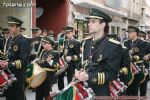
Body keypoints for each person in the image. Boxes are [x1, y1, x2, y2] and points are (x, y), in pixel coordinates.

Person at [75, 8, 123, 96]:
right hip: (84, 89)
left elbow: (112, 74)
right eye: (89, 21)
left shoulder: (113, 46)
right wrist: (78, 72)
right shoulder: (86, 42)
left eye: (93, 21)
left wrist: (89, 77)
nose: (89, 24)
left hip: (101, 90)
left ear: (103, 24)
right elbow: (83, 64)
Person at [0, 16, 30, 100]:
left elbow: (23, 61)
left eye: (12, 26)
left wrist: (8, 63)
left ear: (18, 27)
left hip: (18, 77)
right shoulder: (9, 40)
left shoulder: (24, 41)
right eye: (9, 25)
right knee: (9, 98)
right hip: (8, 77)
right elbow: (7, 56)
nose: (10, 28)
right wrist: (3, 61)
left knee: (18, 97)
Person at [124, 26, 150, 96]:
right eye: (128, 32)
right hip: (128, 68)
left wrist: (148, 57)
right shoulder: (125, 42)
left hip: (138, 68)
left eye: (130, 32)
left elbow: (141, 55)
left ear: (135, 33)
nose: (128, 34)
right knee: (127, 89)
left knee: (136, 89)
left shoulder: (144, 43)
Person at [35, 36, 59, 100]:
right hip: (40, 75)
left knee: (47, 94)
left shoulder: (55, 53)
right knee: (38, 93)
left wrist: (50, 61)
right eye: (43, 43)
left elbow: (57, 66)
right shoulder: (43, 52)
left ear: (50, 44)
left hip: (48, 76)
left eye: (44, 44)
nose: (43, 45)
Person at [57, 26, 81, 90]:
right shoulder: (64, 41)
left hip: (71, 64)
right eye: (66, 33)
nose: (67, 34)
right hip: (63, 63)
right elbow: (62, 52)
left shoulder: (76, 42)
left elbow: (79, 56)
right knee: (59, 77)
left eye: (68, 33)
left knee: (70, 80)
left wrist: (71, 57)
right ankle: (61, 92)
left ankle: (69, 93)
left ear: (73, 32)